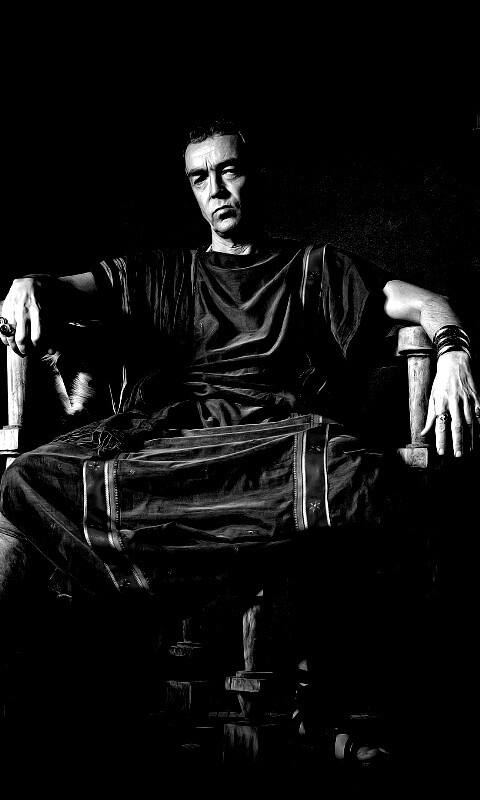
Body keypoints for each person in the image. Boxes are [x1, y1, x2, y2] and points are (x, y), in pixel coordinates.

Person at [0, 119, 478, 765]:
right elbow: (65, 287)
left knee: (360, 479)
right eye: (200, 178)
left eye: (230, 171)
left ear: (257, 176)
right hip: (182, 443)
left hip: (271, 444)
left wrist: (453, 353)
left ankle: (329, 701)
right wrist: (28, 283)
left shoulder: (313, 267)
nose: (217, 189)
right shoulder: (167, 273)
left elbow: (427, 302)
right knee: (30, 476)